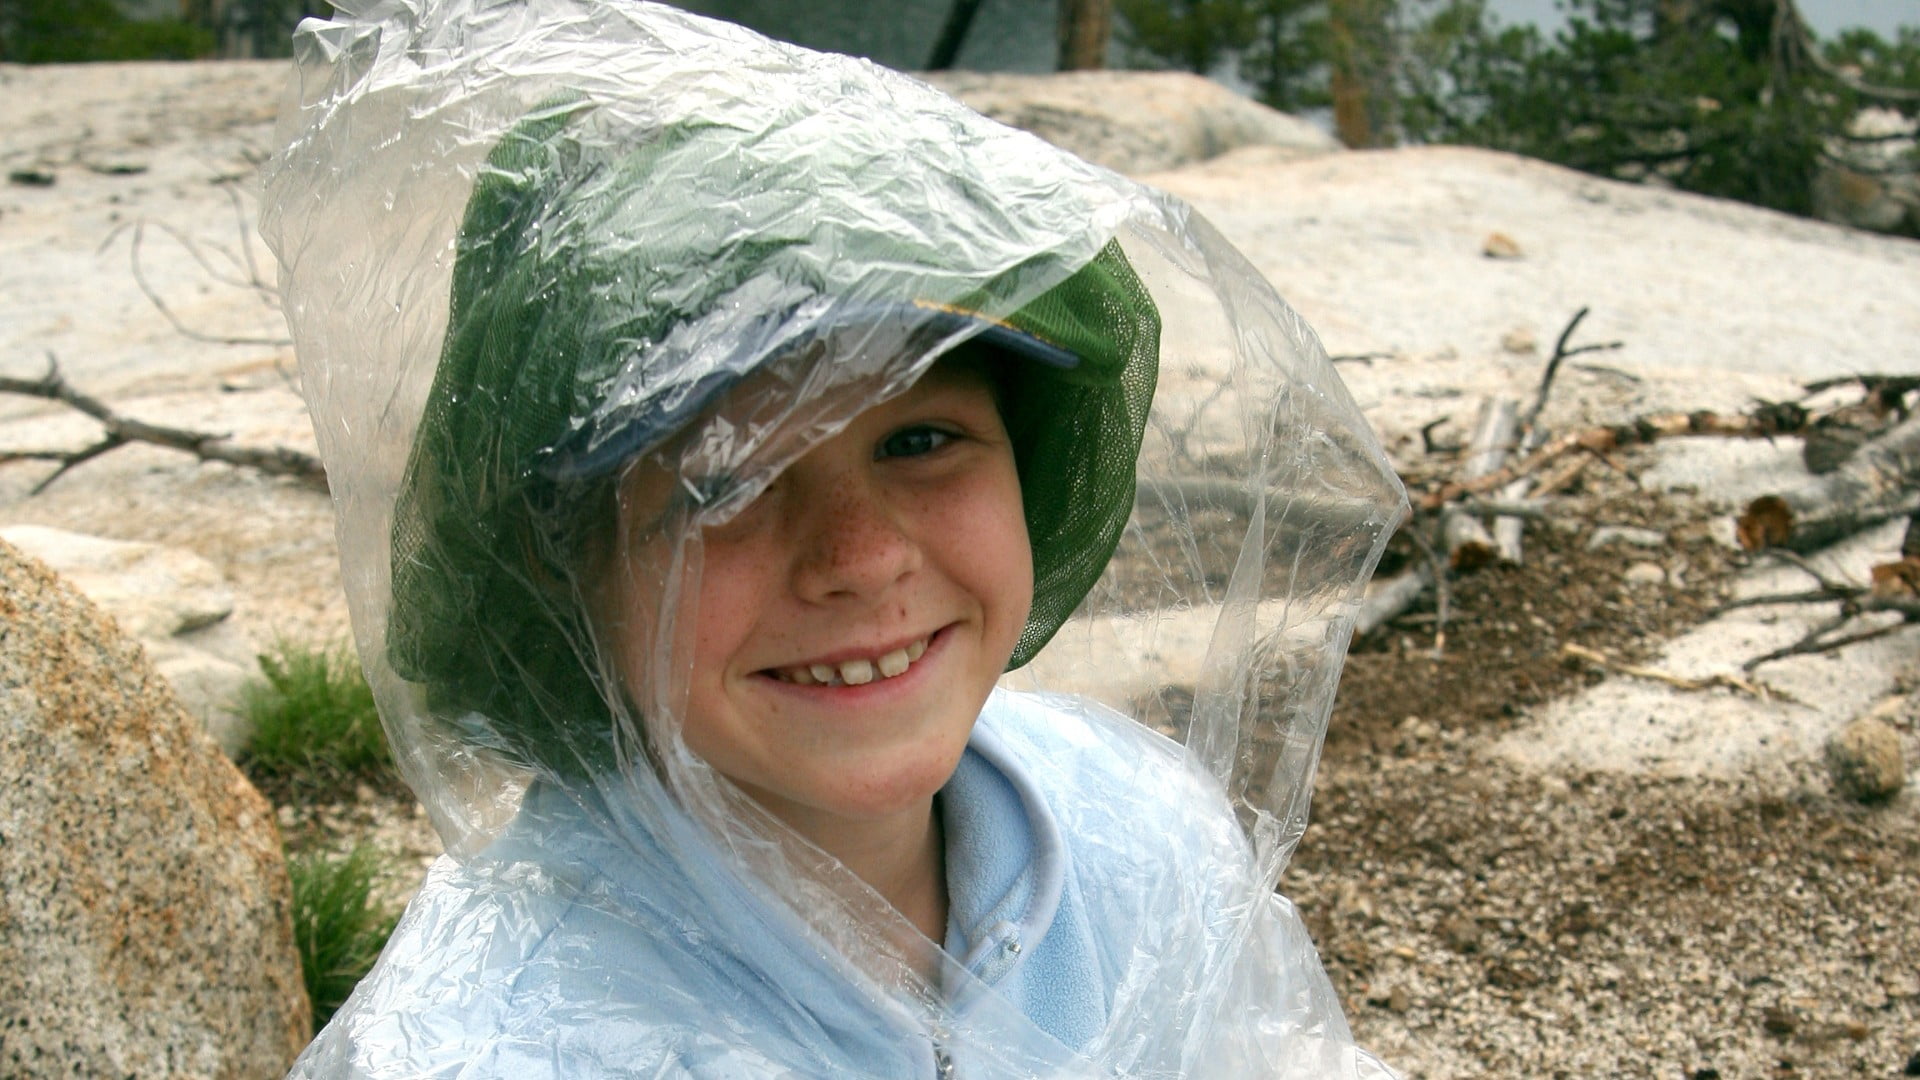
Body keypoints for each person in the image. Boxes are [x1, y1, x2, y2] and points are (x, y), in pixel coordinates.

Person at [260, 1, 1406, 1076]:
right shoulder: (507, 1043)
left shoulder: (1131, 824)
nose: (861, 556)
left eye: (919, 441)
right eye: (725, 484)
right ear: (564, 568)